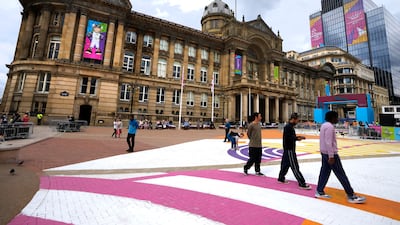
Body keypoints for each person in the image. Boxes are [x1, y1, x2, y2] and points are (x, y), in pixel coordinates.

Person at [315, 111, 366, 204]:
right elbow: (328, 142)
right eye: (336, 117)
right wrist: (331, 155)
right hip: (331, 154)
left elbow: (324, 141)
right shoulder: (330, 127)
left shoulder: (323, 125)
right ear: (332, 118)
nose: (337, 119)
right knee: (341, 174)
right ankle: (351, 195)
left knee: (324, 173)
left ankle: (319, 190)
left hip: (324, 153)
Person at [278, 113, 311, 190]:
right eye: (297, 120)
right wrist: (297, 138)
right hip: (290, 149)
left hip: (288, 149)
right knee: (295, 166)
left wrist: (297, 137)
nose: (297, 122)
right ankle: (302, 183)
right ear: (293, 119)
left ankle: (281, 178)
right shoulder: (288, 127)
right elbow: (289, 138)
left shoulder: (289, 127)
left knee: (285, 165)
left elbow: (290, 137)